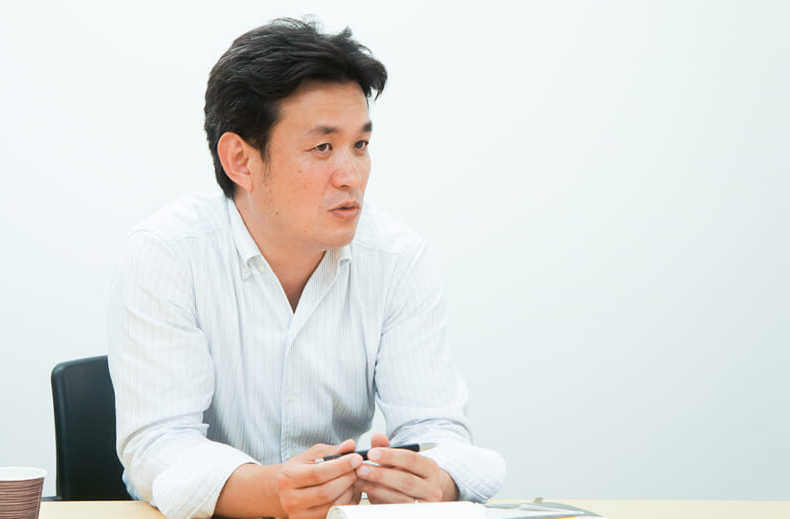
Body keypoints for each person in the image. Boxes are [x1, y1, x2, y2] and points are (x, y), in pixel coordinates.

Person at [107, 18, 505, 519]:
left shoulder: (399, 260)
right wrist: (273, 490)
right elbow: (160, 446)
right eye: (322, 148)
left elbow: (438, 431)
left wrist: (434, 480)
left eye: (360, 145)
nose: (351, 176)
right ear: (240, 160)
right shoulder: (167, 252)